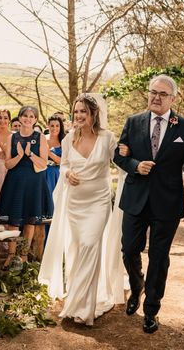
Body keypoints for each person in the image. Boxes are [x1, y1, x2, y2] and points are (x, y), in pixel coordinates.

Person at [113, 74, 184, 334]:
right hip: (135, 198)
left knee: (159, 257)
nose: (156, 97)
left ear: (173, 98)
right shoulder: (134, 121)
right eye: (153, 92)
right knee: (129, 250)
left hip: (168, 202)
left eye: (162, 94)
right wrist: (134, 166)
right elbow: (118, 154)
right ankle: (136, 284)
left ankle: (151, 310)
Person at [39, 95, 123, 326]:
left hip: (98, 201)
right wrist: (66, 173)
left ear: (94, 114)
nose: (79, 116)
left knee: (89, 245)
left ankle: (83, 308)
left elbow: (122, 162)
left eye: (84, 111)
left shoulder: (107, 138)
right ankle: (81, 298)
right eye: (76, 112)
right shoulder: (68, 140)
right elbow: (64, 163)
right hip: (75, 203)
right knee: (76, 250)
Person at [0, 105, 53, 267]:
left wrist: (29, 154)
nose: (28, 119)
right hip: (15, 182)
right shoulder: (12, 138)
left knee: (30, 220)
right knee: (13, 222)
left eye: (31, 116)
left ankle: (23, 256)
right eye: (25, 116)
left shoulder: (40, 137)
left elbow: (43, 163)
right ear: (20, 118)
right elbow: (7, 164)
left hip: (34, 183)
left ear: (35, 120)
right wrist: (20, 155)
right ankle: (11, 256)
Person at [45, 115, 65, 195]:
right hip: (43, 173)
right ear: (48, 126)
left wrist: (49, 153)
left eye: (57, 126)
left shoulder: (64, 140)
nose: (54, 128)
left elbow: (63, 161)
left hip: (57, 174)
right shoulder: (43, 138)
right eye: (52, 126)